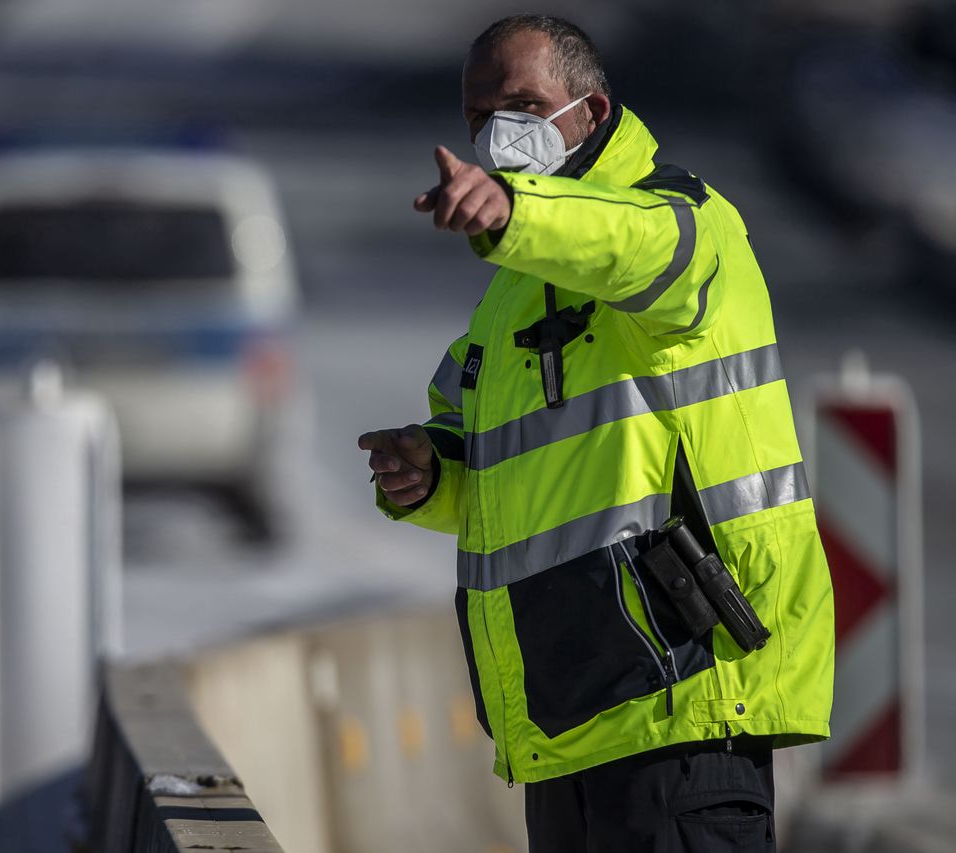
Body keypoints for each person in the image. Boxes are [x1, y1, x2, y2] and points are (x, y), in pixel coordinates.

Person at [357, 15, 834, 852]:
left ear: (592, 110)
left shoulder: (683, 219)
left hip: (682, 713)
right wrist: (431, 474)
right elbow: (513, 480)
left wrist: (516, 209)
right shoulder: (511, 296)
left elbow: (629, 244)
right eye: (478, 116)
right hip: (570, 728)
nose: (498, 133)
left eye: (523, 104)